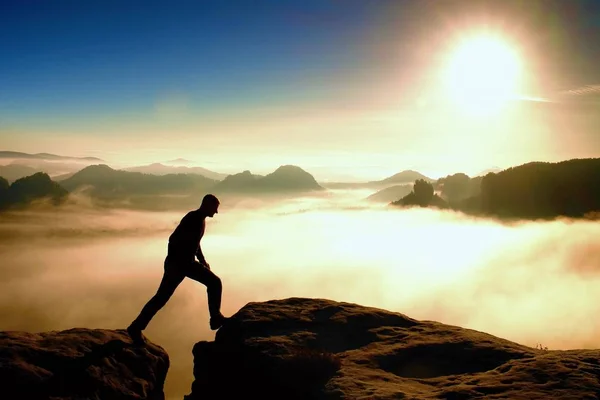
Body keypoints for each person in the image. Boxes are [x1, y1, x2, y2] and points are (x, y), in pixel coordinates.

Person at [127, 194, 227, 345]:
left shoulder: (199, 219)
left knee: (161, 298)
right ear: (207, 205)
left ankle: (136, 327)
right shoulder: (193, 218)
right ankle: (215, 317)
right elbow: (173, 239)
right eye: (215, 208)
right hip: (180, 264)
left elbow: (195, 243)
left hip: (182, 264)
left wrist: (201, 260)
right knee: (214, 283)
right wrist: (179, 261)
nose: (216, 212)